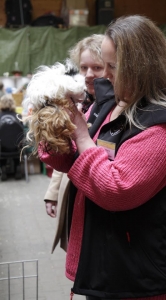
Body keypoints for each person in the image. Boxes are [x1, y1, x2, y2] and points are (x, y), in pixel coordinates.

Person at [38, 15, 166, 300]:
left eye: (111, 66)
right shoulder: (110, 104)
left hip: (141, 276)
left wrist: (81, 136)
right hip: (109, 265)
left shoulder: (164, 126)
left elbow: (116, 190)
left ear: (141, 68)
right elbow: (75, 159)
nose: (103, 75)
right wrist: (50, 131)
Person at [43, 34, 106, 252]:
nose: (89, 75)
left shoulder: (111, 107)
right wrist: (52, 194)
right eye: (83, 68)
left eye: (97, 67)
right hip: (75, 194)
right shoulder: (81, 102)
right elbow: (70, 155)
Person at [0, 94, 24, 180]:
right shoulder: (19, 116)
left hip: (2, 149)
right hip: (16, 148)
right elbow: (22, 133)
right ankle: (17, 167)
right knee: (17, 141)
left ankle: (3, 168)